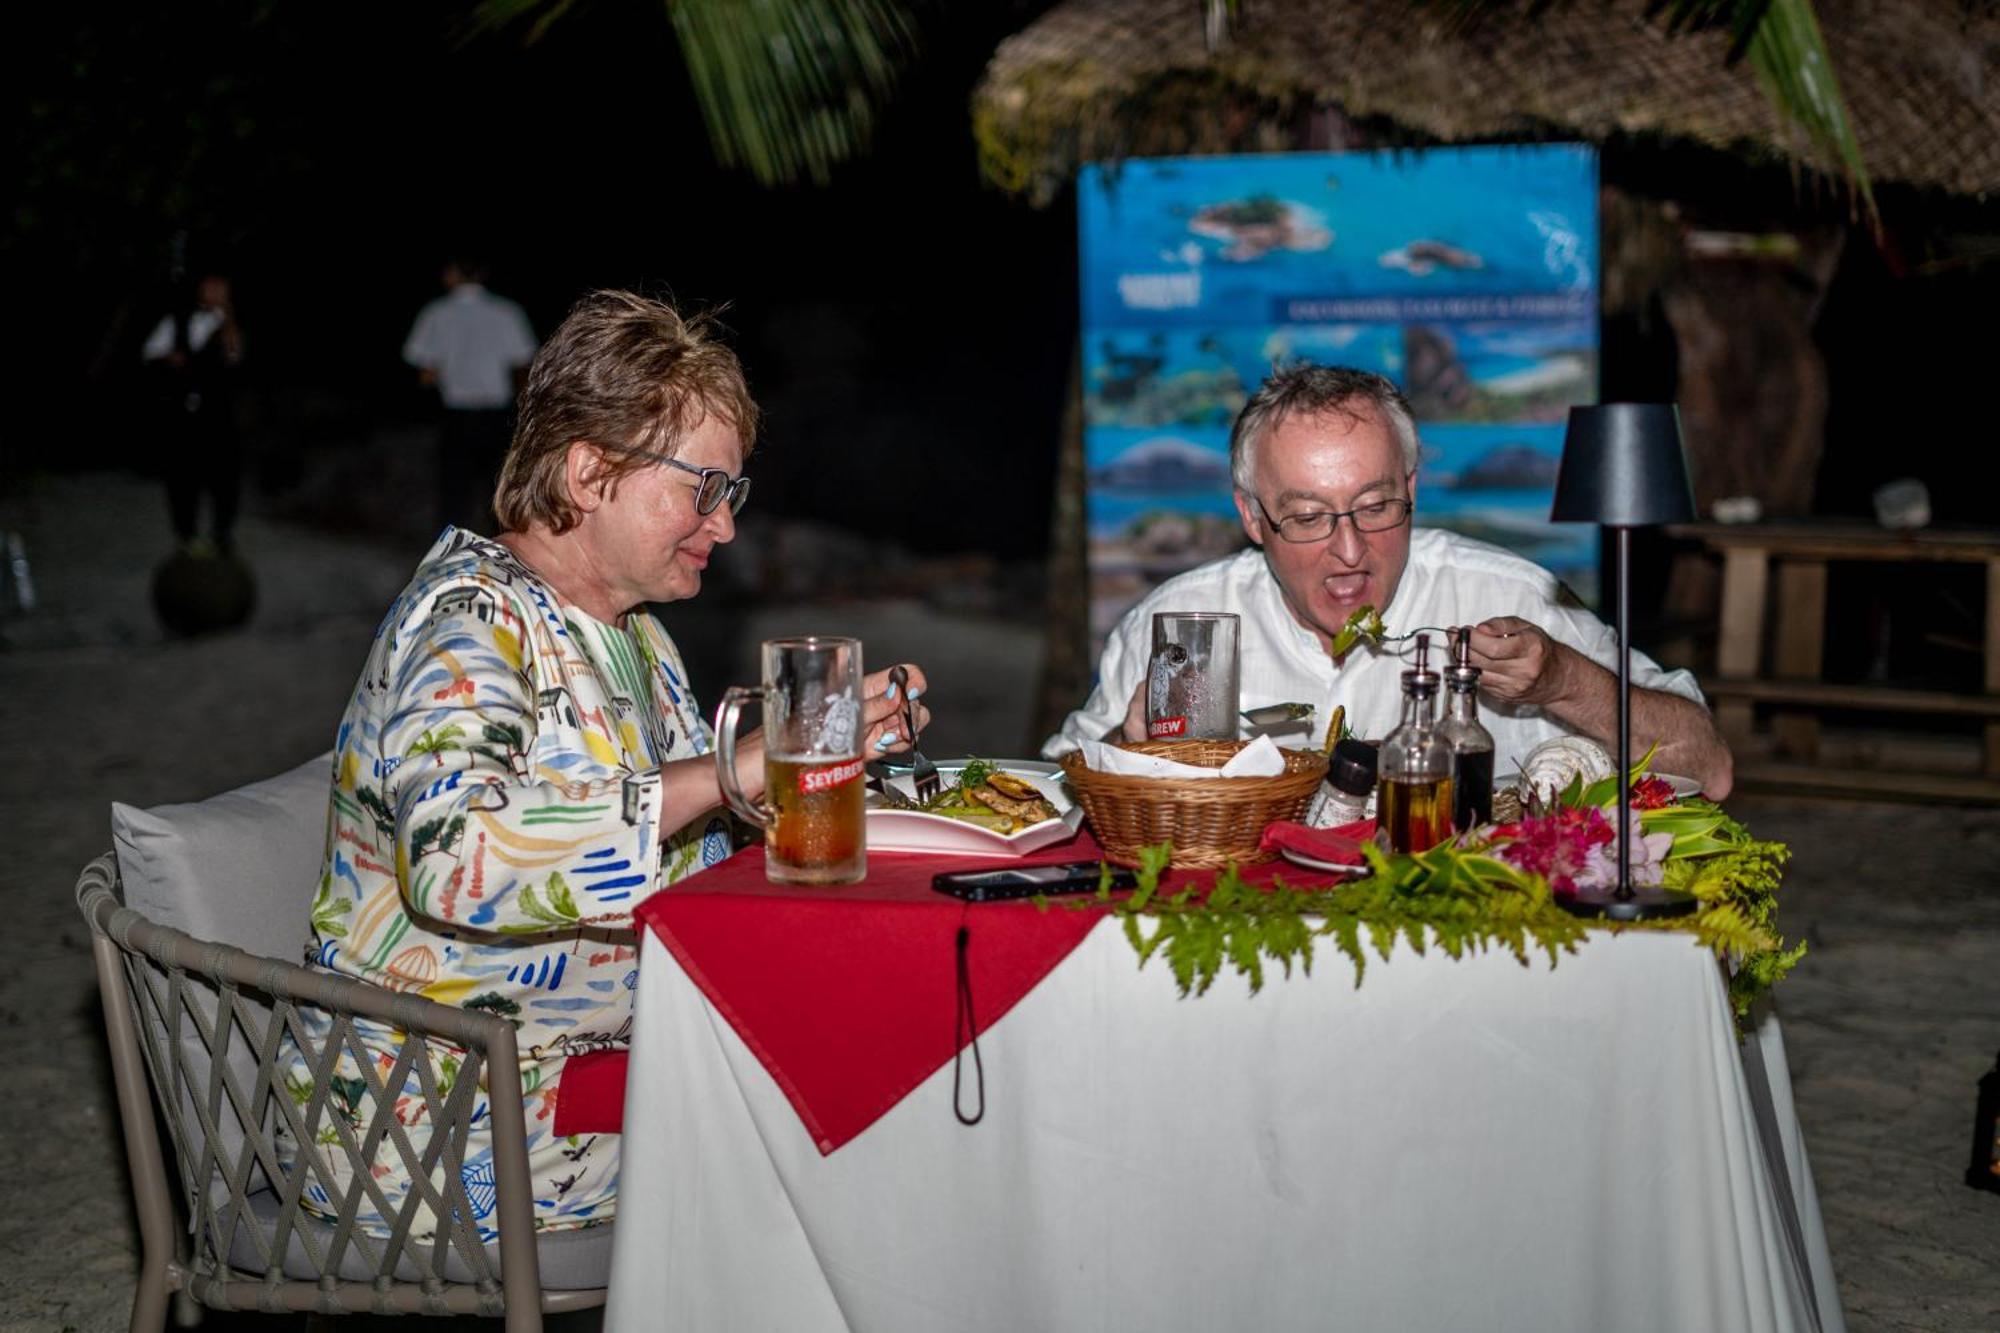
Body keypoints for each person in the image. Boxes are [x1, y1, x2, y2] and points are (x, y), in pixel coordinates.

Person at [285, 290, 932, 1240]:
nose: (726, 525)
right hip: (446, 1115)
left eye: (733, 493)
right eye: (703, 488)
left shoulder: (640, 641)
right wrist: (726, 774)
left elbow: (684, 862)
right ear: (590, 473)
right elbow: (458, 858)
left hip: (582, 1074)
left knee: (883, 1079)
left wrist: (826, 774)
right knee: (837, 1147)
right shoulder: (469, 619)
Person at [1046, 365, 1733, 798]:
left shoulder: (1506, 596)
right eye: (1309, 517)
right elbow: (1056, 795)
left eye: (1376, 507)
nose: (1350, 550)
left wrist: (1562, 681)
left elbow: (1710, 766)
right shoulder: (1184, 620)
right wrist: (1127, 758)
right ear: (1252, 516)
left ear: (1411, 487)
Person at [403, 256, 539, 532]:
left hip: (456, 415)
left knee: (454, 493)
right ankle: (501, 556)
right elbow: (523, 364)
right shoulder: (506, 312)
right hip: (497, 417)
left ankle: (448, 557)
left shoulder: (437, 312)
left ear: (452, 274)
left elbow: (425, 372)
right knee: (498, 491)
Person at [142, 271, 245, 552]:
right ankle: (185, 535)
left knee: (224, 476)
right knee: (182, 475)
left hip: (219, 414)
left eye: (220, 285)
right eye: (210, 284)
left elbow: (235, 356)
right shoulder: (177, 318)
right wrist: (169, 359)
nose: (214, 290)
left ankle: (221, 534)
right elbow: (150, 352)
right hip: (182, 412)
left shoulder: (231, 322)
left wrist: (227, 315)